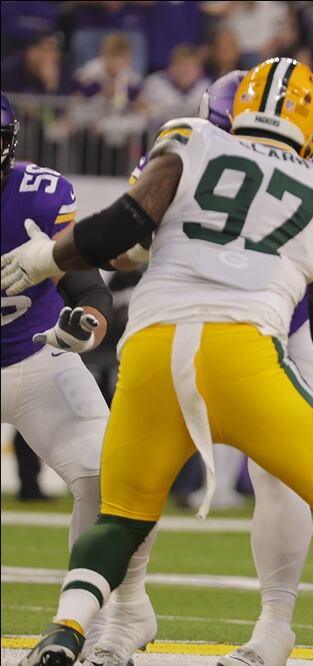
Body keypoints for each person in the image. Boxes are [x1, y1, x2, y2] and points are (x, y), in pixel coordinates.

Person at [3, 57, 313, 666]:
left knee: (124, 509)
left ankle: (68, 629)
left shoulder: (187, 141)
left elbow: (123, 237)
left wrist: (51, 257)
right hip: (247, 345)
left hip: (158, 341)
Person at [113, 68, 313, 666]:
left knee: (281, 476)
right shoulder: (184, 151)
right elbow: (128, 247)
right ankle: (124, 610)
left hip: (284, 328)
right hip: (187, 316)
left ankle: (275, 624)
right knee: (141, 468)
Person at [0, 91, 155, 665]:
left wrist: (82, 329)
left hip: (42, 357)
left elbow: (91, 292)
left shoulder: (37, 196)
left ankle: (116, 613)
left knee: (110, 475)